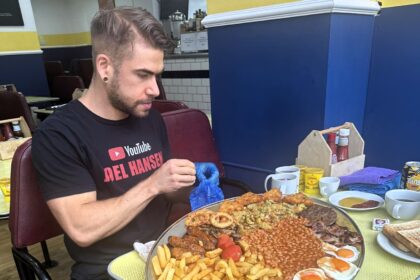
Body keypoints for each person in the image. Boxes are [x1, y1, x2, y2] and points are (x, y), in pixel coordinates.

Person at [32, 7, 196, 279]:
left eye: (157, 75)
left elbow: (167, 194)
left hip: (166, 255)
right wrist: (153, 184)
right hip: (106, 270)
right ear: (105, 67)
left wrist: (181, 184)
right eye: (143, 75)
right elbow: (81, 229)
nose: (155, 89)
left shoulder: (150, 118)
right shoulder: (58, 135)